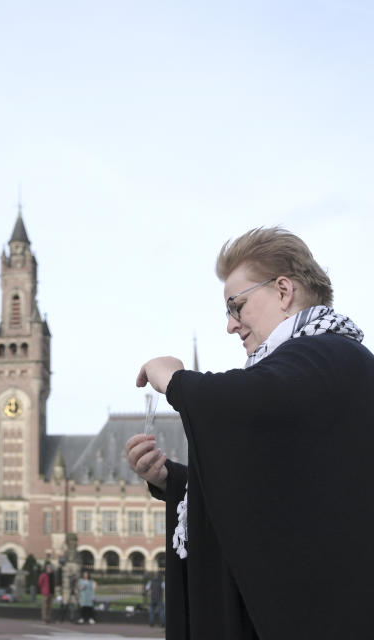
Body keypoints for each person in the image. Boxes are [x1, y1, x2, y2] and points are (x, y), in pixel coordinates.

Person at [127, 227, 374, 639]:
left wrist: (177, 381)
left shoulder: (326, 355)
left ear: (283, 291)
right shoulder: (317, 362)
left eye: (236, 306)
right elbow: (276, 493)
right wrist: (173, 480)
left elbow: (244, 404)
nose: (230, 324)